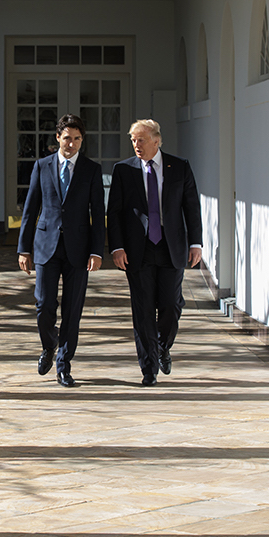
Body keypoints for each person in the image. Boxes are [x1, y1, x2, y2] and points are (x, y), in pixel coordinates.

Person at [107, 119, 202, 386]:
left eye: (142, 140)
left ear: (157, 141)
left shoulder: (179, 167)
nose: (137, 145)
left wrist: (196, 243)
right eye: (133, 140)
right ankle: (148, 368)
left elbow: (191, 208)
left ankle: (163, 347)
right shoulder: (123, 170)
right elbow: (113, 212)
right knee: (143, 309)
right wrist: (117, 247)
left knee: (171, 306)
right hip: (139, 250)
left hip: (171, 247)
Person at [18, 114, 105, 387]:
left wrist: (97, 251)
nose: (72, 144)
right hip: (46, 247)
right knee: (44, 305)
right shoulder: (42, 166)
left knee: (72, 309)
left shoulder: (91, 169)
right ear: (58, 138)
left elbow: (98, 213)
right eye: (67, 138)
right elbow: (30, 210)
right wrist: (24, 248)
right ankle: (49, 344)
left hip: (78, 250)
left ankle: (64, 365)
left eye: (77, 139)